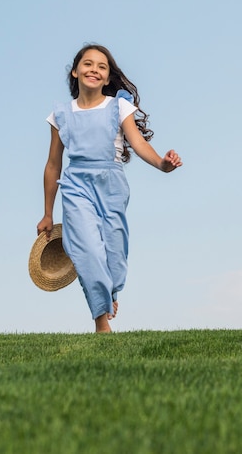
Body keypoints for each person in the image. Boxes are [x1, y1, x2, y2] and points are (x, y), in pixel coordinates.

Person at [37, 44, 182, 333]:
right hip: (77, 186)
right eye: (88, 64)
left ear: (106, 78)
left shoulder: (119, 106)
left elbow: (138, 143)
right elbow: (53, 165)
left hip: (111, 186)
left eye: (102, 67)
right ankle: (101, 322)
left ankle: (110, 291)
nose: (95, 69)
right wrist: (47, 214)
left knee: (114, 256)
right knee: (87, 251)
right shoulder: (61, 116)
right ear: (76, 72)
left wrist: (162, 164)